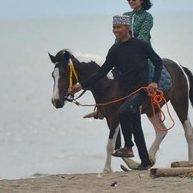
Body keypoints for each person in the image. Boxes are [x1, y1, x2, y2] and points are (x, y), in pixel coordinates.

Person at [69, 14, 162, 170]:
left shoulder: (141, 45)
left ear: (127, 28)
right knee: (136, 126)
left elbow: (158, 62)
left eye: (118, 27)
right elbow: (101, 73)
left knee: (123, 111)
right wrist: (81, 85)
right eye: (113, 27)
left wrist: (154, 82)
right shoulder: (115, 50)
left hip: (141, 90)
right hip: (125, 92)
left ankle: (128, 146)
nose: (115, 30)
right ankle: (145, 161)